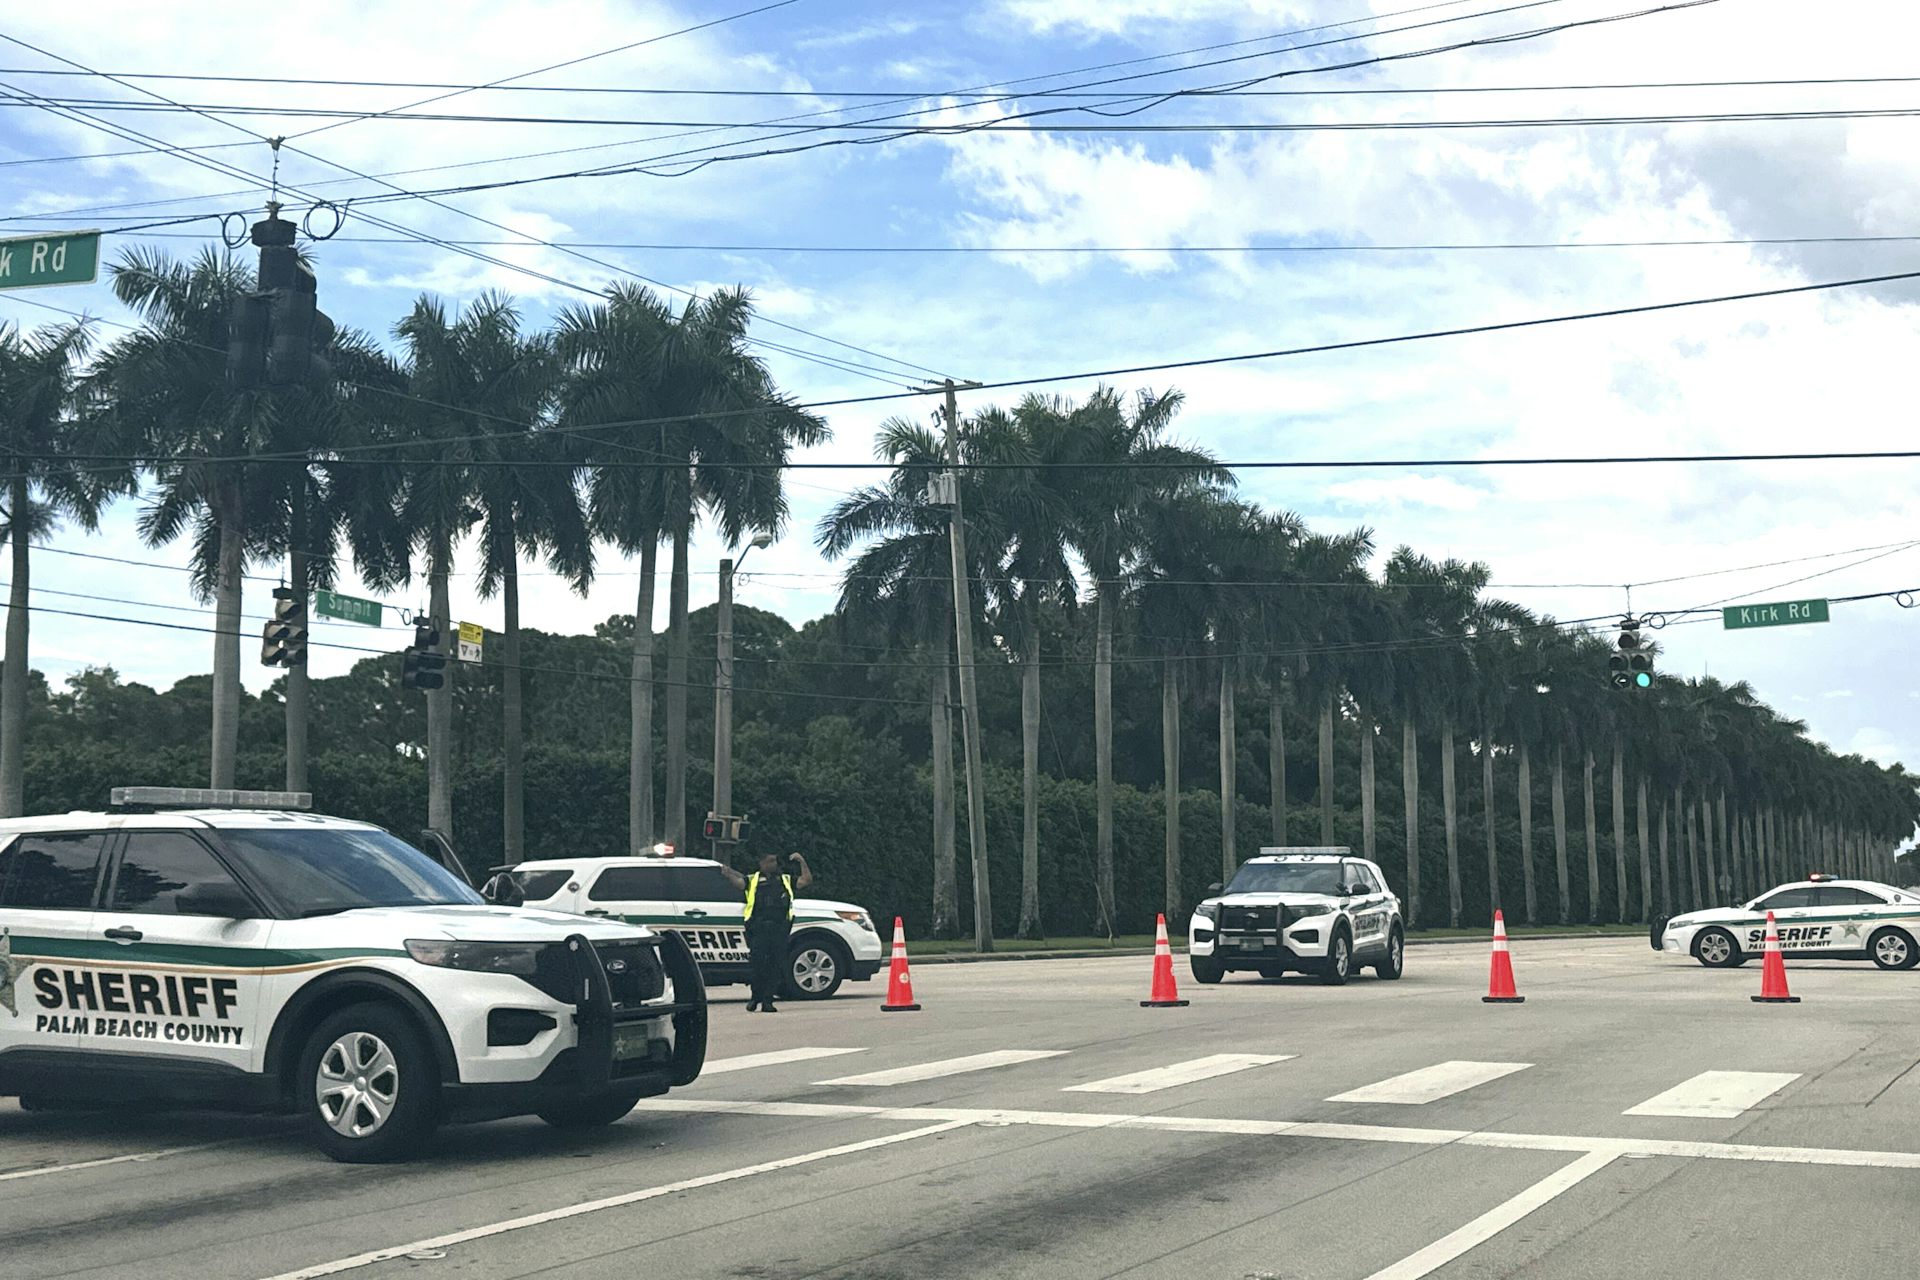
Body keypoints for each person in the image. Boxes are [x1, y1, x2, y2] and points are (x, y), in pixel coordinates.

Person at [719, 851, 812, 1012]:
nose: (773, 864)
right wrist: (728, 874)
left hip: (779, 929)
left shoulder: (785, 880)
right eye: (769, 861)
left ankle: (767, 1001)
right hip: (758, 929)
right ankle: (755, 998)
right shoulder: (752, 880)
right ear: (761, 863)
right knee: (758, 966)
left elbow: (806, 881)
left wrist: (802, 861)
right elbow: (739, 883)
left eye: (774, 861)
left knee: (775, 967)